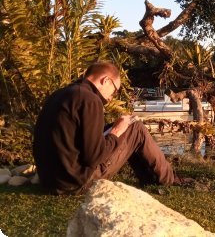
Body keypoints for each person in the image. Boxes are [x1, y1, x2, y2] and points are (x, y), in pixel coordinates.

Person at [33, 61, 180, 195]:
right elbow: (94, 157)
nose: (112, 96)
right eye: (115, 90)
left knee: (125, 128)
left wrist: (113, 130)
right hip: (75, 182)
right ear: (106, 80)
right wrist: (116, 132)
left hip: (50, 181)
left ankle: (151, 179)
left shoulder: (61, 94)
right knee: (135, 127)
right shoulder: (90, 99)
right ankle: (169, 180)